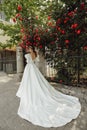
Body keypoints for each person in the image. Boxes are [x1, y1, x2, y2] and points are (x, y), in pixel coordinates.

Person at [16, 45, 81, 128]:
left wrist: (31, 52)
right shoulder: (31, 53)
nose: (27, 48)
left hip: (31, 68)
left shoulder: (32, 53)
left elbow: (31, 60)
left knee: (35, 83)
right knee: (30, 83)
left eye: (29, 47)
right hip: (29, 69)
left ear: (31, 48)